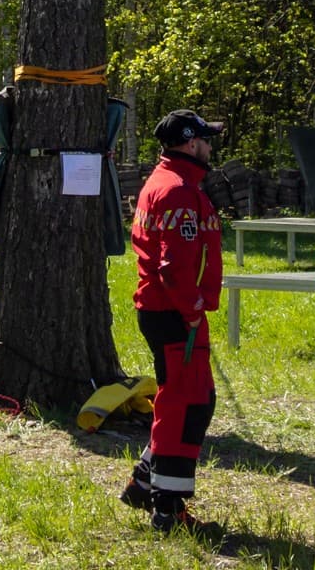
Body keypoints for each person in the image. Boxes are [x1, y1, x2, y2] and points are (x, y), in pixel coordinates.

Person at [120, 109, 224, 533]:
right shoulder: (178, 190)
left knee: (189, 399)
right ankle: (168, 508)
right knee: (187, 406)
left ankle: (144, 482)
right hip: (175, 312)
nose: (210, 146)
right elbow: (174, 266)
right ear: (190, 142)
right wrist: (193, 310)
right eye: (206, 139)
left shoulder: (168, 181)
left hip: (167, 309)